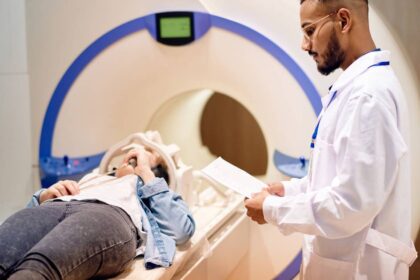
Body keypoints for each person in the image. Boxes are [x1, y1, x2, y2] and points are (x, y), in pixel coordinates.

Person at [244, 0, 417, 279]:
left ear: (344, 21)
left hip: (360, 268)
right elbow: (341, 179)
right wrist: (291, 191)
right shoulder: (354, 89)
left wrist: (272, 209)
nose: (305, 44)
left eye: (310, 31)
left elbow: (351, 205)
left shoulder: (368, 97)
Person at [0, 146, 195, 280]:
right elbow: (29, 213)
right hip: (56, 206)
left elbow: (181, 231)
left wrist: (146, 172)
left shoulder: (153, 189)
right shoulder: (93, 177)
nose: (134, 158)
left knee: (37, 267)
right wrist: (45, 196)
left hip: (108, 216)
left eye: (143, 160)